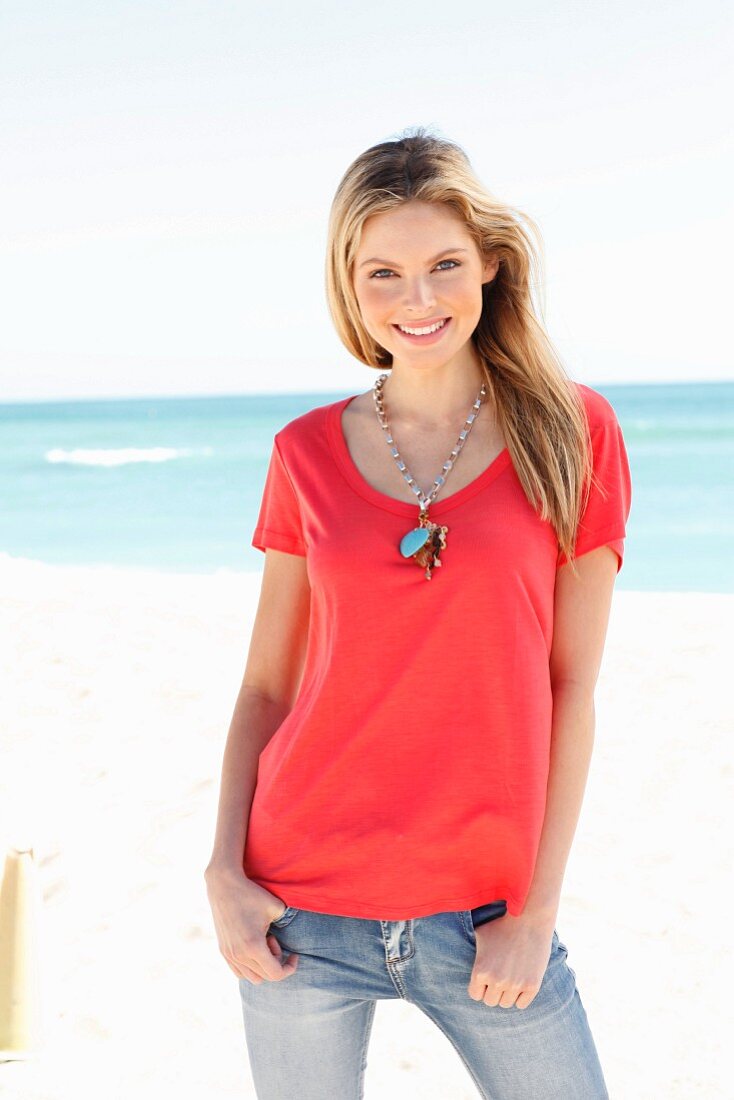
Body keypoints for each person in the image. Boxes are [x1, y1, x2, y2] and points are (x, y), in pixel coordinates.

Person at [204, 126, 632, 1100]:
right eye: (382, 273)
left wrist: (534, 908)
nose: (418, 298)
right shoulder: (303, 451)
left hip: (484, 912)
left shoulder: (573, 433)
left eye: (442, 264)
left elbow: (571, 688)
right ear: (348, 286)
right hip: (298, 905)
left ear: (489, 261)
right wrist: (223, 873)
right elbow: (267, 685)